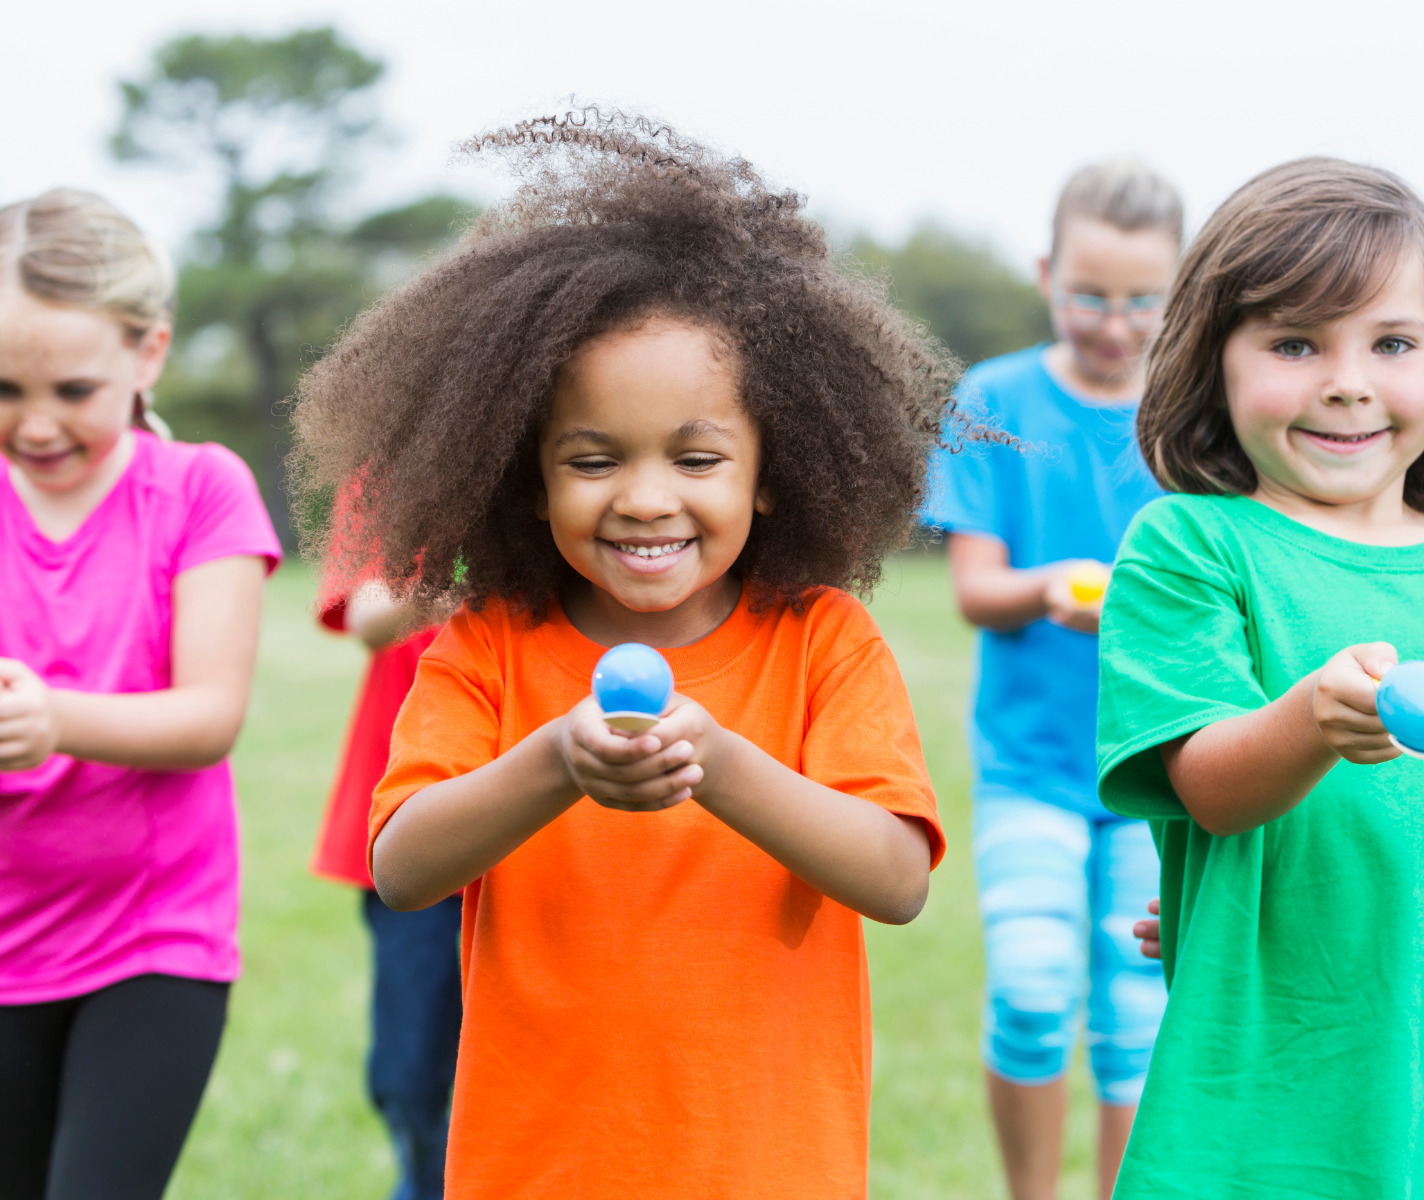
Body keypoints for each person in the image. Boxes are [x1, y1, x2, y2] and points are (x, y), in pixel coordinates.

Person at [290, 109, 977, 1199]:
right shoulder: (487, 647)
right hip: (534, 1167)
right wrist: (556, 762)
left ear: (770, 469)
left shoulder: (823, 641)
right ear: (531, 477)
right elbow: (405, 866)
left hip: (768, 1168)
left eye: (697, 457)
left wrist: (722, 763)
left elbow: (895, 881)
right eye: (593, 458)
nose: (646, 497)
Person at [1097, 158, 1424, 1196]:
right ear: (1213, 362)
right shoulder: (1189, 547)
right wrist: (1310, 722)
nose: (1346, 380)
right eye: (1293, 342)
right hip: (1271, 1097)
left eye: (1391, 343)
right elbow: (1211, 790)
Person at [0, 190, 280, 1199]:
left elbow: (209, 718)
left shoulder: (204, 489)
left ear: (147, 354)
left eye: (73, 389)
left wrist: (54, 720)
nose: (36, 425)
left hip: (158, 935)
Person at [923, 160, 1181, 1200]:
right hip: (1029, 764)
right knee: (1031, 992)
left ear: (1178, 291)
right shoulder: (994, 400)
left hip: (1155, 766)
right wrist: (1054, 592)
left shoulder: (1191, 413)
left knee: (1134, 1013)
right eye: (1089, 294)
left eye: (1139, 300)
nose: (1113, 322)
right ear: (1046, 273)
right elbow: (976, 589)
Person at [311, 579, 458, 1200]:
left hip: (555, 831)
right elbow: (369, 617)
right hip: (407, 821)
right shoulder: (387, 479)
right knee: (411, 1071)